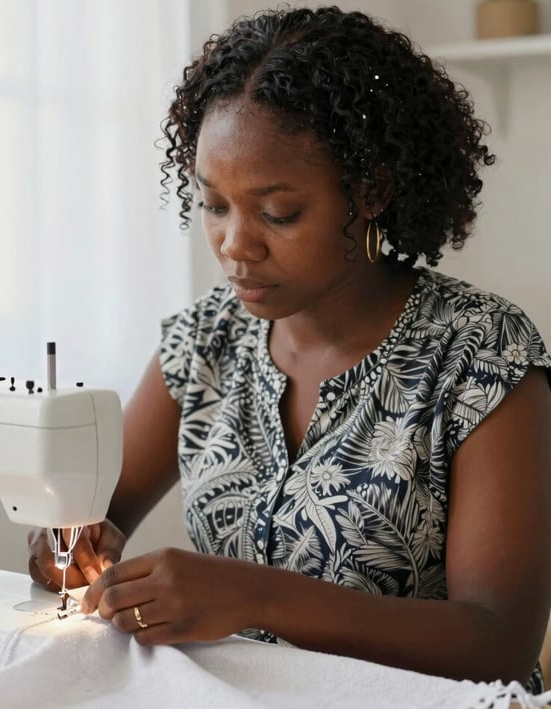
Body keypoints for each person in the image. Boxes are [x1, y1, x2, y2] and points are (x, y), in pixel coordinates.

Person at [29, 4, 551, 692]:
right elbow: (92, 518)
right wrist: (65, 545)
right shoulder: (205, 340)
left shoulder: (480, 357)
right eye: (214, 205)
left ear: (370, 194)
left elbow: (499, 643)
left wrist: (257, 596)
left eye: (278, 213)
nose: (235, 246)